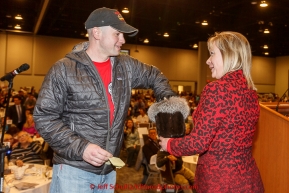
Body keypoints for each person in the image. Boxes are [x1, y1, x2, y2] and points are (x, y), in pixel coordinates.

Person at [33, 7, 175, 193]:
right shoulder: (64, 69)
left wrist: (168, 110)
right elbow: (44, 118)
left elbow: (155, 76)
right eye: (117, 34)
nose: (123, 40)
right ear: (97, 32)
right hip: (74, 171)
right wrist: (81, 148)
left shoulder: (126, 66)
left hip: (108, 172)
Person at [159, 31, 264, 192]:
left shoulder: (217, 89)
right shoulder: (251, 93)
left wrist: (170, 144)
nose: (208, 61)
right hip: (248, 179)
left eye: (212, 54)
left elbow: (198, 143)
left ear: (229, 55)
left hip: (219, 181)